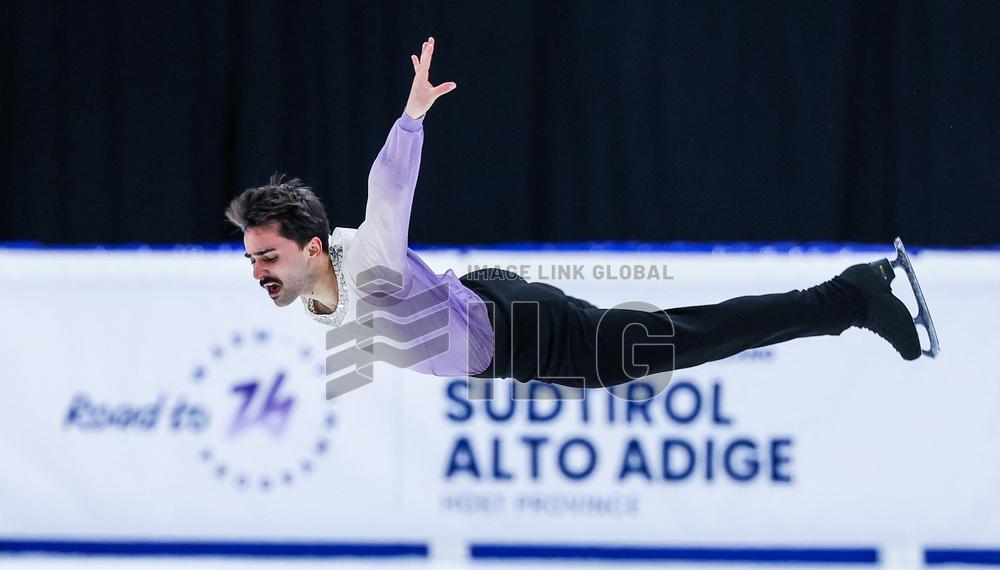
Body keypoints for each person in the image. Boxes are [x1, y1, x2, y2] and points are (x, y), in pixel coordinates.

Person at [227, 37, 938, 392]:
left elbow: (388, 190)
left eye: (268, 255)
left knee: (676, 342)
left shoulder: (368, 263)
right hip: (495, 315)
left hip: (522, 331)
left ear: (314, 246)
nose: (258, 269)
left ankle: (852, 294)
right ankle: (849, 295)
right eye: (254, 256)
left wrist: (412, 116)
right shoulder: (320, 289)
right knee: (643, 351)